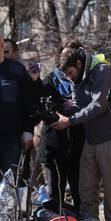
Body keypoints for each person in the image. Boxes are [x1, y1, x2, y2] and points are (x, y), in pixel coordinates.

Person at [50, 43, 111, 221]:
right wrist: (63, 113)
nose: (69, 78)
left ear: (78, 63)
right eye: (66, 75)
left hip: (109, 138)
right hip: (90, 140)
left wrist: (70, 121)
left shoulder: (102, 70)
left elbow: (98, 105)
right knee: (86, 190)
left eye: (69, 73)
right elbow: (80, 105)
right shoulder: (76, 78)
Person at [0, 31, 36, 192]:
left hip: (11, 138)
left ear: (2, 45)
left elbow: (28, 103)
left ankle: (11, 216)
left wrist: (28, 131)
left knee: (12, 185)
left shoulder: (17, 70)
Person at [35, 65, 85, 210]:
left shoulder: (82, 82)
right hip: (53, 144)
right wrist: (65, 108)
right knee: (54, 195)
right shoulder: (50, 80)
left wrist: (75, 107)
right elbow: (41, 106)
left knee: (79, 192)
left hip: (77, 144)